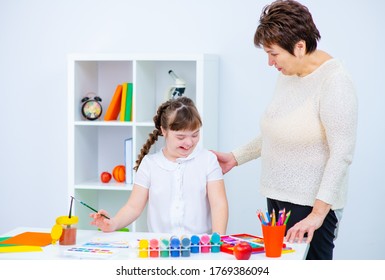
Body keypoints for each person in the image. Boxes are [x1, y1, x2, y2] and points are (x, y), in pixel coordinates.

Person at [213, 0, 357, 260]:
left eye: (274, 53)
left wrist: (317, 214)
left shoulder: (335, 82)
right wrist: (235, 157)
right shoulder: (289, 74)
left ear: (299, 46)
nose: (270, 62)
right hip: (277, 198)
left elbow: (342, 153)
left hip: (312, 205)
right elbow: (278, 129)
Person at [91, 96, 228, 235]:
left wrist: (217, 240)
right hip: (161, 248)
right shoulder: (150, 164)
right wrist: (113, 223)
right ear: (164, 131)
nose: (189, 143)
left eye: (195, 135)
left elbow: (219, 205)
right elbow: (133, 207)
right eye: (180, 137)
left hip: (200, 246)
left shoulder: (208, 160)